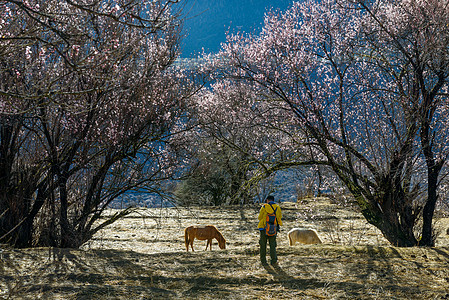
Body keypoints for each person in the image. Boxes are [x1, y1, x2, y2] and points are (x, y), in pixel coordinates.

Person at [258, 195, 282, 266]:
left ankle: (263, 261)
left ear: (267, 200)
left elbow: (259, 217)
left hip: (263, 228)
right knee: (272, 245)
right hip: (273, 229)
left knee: (263, 245)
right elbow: (279, 218)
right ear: (273, 200)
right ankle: (273, 261)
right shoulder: (277, 208)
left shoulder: (264, 207)